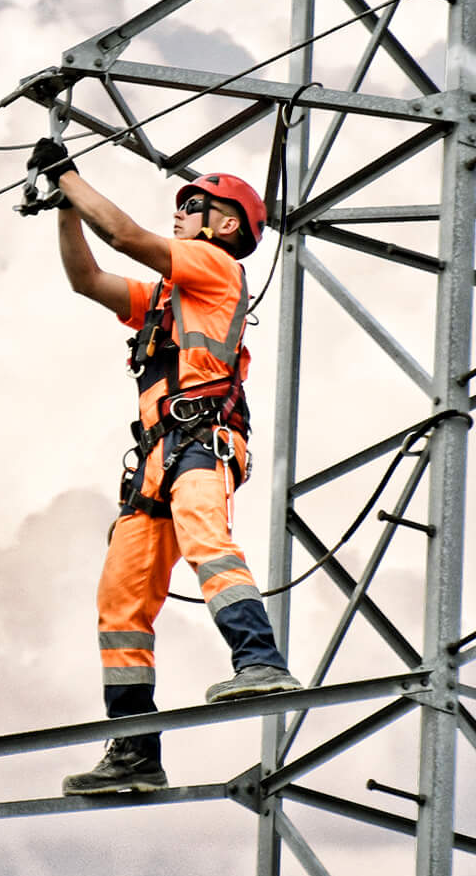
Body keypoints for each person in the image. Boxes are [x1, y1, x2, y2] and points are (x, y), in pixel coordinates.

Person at [28, 137, 302, 796]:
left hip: (200, 442)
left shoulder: (212, 267)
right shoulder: (161, 300)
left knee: (208, 541)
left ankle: (259, 659)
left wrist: (69, 176)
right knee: (120, 598)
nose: (179, 215)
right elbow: (85, 278)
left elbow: (121, 234)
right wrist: (64, 204)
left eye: (192, 206)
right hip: (155, 460)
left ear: (225, 225)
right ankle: (133, 748)